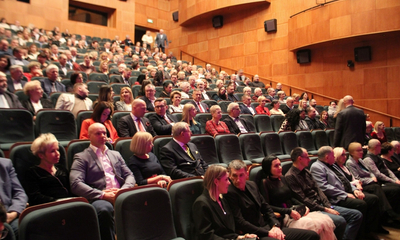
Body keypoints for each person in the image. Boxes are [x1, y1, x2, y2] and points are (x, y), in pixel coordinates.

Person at [224, 160, 320, 240]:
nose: (238, 180)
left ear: (246, 174)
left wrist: (275, 226)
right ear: (229, 175)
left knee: (312, 236)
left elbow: (266, 207)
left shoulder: (251, 185)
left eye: (241, 175)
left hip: (268, 227)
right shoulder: (229, 192)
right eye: (234, 176)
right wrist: (268, 232)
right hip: (255, 234)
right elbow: (240, 222)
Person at [70, 123, 136, 240]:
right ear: (89, 136)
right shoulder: (81, 157)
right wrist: (103, 195)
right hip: (98, 197)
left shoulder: (115, 154)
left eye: (104, 133)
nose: (103, 136)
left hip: (120, 193)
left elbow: (129, 175)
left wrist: (122, 191)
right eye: (98, 133)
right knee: (105, 210)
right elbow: (75, 184)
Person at [285, 147, 363, 240]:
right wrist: (325, 209)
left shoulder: (306, 171)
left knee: (356, 215)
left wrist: (328, 206)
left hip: (323, 204)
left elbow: (318, 190)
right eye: (307, 157)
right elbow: (304, 199)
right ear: (299, 158)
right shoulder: (290, 176)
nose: (310, 159)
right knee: (340, 221)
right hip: (313, 209)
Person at [310, 146, 385, 239]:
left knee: (373, 199)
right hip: (335, 197)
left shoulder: (333, 165)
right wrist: (345, 194)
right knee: (361, 204)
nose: (334, 157)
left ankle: (368, 230)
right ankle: (360, 235)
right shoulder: (316, 167)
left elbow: (345, 180)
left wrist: (355, 190)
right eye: (333, 155)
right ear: (327, 156)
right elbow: (324, 187)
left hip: (346, 191)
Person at [261, 156, 336, 240]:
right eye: (276, 166)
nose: (280, 168)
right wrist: (288, 211)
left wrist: (303, 205)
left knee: (324, 222)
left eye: (280, 164)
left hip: (294, 211)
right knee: (314, 225)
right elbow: (267, 206)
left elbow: (291, 198)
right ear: (268, 168)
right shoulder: (264, 183)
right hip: (283, 216)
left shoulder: (282, 178)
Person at [192, 165, 258, 240]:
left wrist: (241, 237)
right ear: (216, 181)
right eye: (226, 179)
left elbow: (226, 231)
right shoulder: (201, 204)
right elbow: (206, 235)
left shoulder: (222, 200)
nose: (229, 183)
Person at [345, 142, 400, 224]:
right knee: (378, 189)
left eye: (361, 150)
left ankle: (390, 215)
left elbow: (370, 171)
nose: (362, 152)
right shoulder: (350, 163)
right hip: (364, 185)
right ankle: (388, 214)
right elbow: (357, 179)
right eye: (359, 150)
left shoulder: (360, 160)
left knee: (394, 189)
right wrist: (371, 179)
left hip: (372, 183)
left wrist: (372, 176)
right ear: (352, 153)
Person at [25, 133, 70, 206]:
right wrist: (56, 201)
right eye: (52, 151)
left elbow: (71, 190)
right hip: (47, 209)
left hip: (68, 205)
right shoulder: (32, 173)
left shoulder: (62, 169)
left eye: (57, 150)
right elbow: (35, 197)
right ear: (41, 155)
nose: (57, 154)